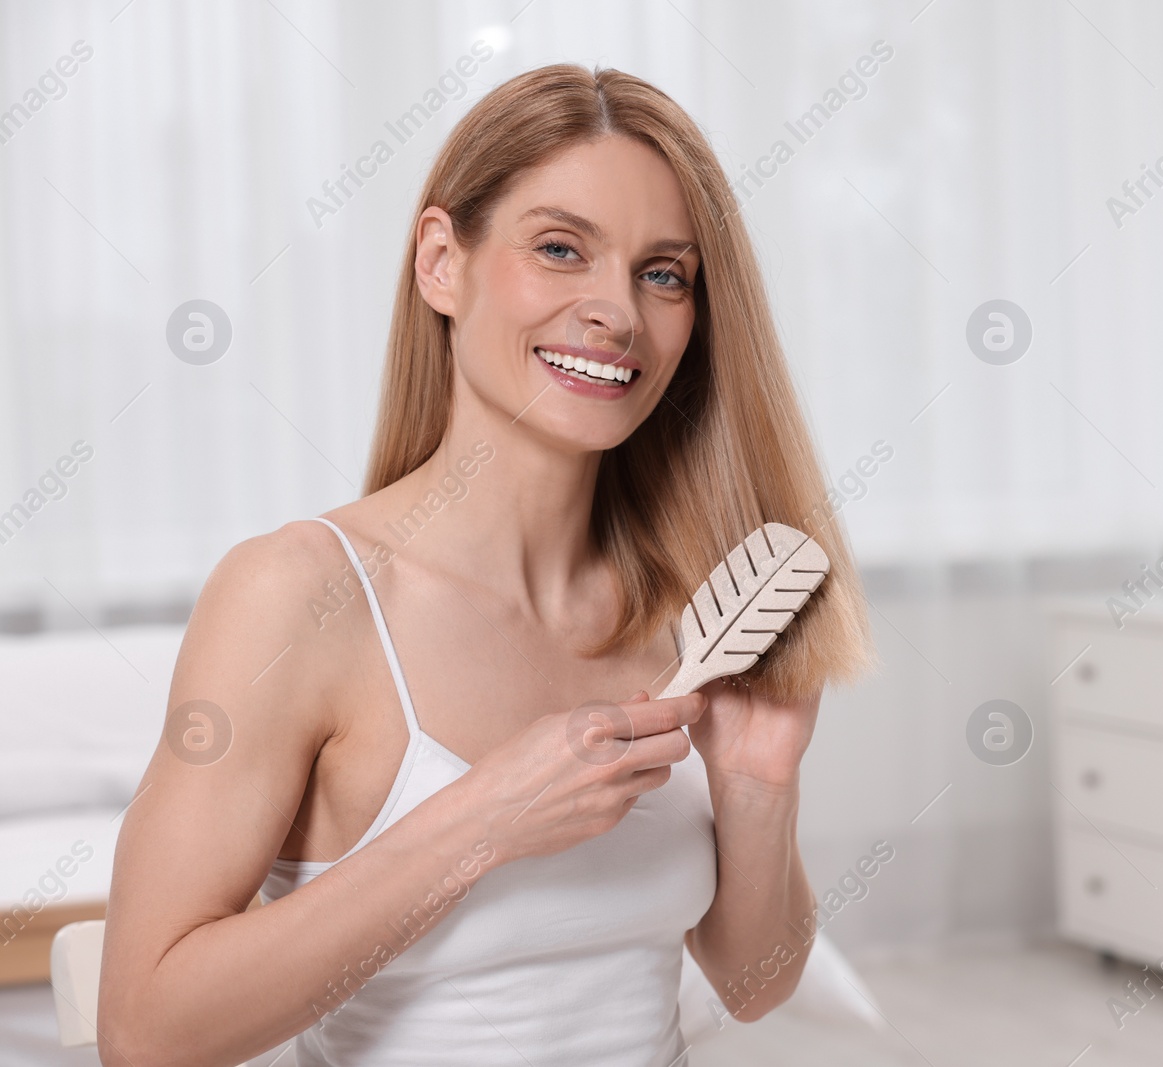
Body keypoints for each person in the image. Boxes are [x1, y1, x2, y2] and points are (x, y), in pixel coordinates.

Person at [99, 63, 874, 1067]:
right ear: (440, 262)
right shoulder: (299, 595)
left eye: (663, 272)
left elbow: (754, 981)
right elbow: (144, 1030)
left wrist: (759, 785)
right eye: (560, 248)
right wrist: (483, 819)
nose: (618, 312)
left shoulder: (687, 612)